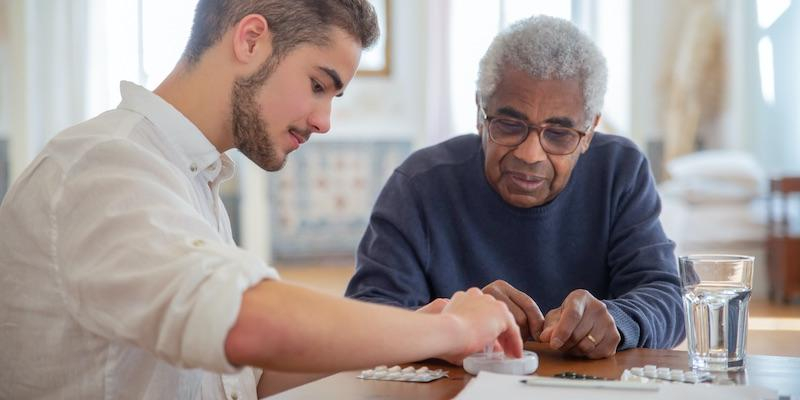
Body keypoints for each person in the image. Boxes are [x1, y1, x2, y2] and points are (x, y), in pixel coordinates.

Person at [0, 1, 523, 399]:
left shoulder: (188, 176)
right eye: (318, 84)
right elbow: (245, 322)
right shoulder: (103, 165)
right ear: (251, 39)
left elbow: (244, 372)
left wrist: (424, 332)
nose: (324, 121)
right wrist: (453, 326)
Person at [346, 15, 685, 359]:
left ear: (590, 132)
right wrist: (456, 321)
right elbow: (367, 319)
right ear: (480, 114)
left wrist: (619, 318)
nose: (530, 154)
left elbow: (667, 297)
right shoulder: (419, 185)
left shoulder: (620, 172)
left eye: (559, 134)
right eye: (509, 125)